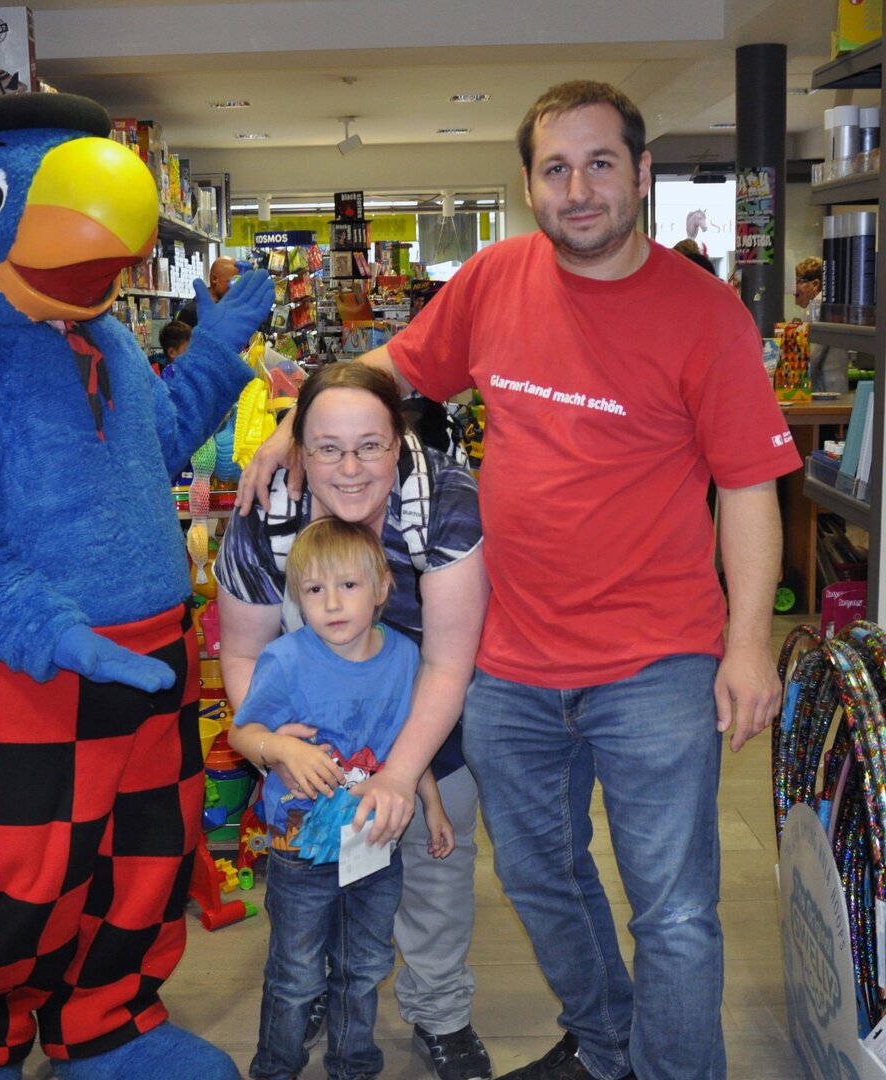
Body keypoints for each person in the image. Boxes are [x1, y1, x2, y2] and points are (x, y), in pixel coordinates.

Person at [237, 80, 802, 1080]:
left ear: (641, 173)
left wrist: (751, 644)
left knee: (673, 911)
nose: (578, 190)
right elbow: (397, 366)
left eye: (599, 164)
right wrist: (303, 416)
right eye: (555, 169)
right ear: (530, 184)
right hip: (509, 659)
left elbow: (750, 486)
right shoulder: (496, 277)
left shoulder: (704, 314)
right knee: (542, 882)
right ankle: (609, 1045)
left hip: (656, 661)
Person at [217, 361, 491, 1080]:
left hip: (420, 706)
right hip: (314, 730)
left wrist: (402, 777)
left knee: (434, 863)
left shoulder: (443, 499)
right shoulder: (266, 509)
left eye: (370, 446)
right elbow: (242, 653)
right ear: (298, 449)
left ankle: (439, 1009)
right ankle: (311, 992)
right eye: (327, 447)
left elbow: (447, 665)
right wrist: (272, 743)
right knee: (307, 892)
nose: (349, 468)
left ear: (399, 442)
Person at [228, 516, 455, 1080]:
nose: (331, 603)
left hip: (375, 844)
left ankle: (354, 1065)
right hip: (298, 848)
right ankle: (275, 1067)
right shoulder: (285, 659)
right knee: (296, 973)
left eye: (348, 585)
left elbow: (407, 743)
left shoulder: (405, 659)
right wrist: (281, 747)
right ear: (297, 598)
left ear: (381, 588)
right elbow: (241, 732)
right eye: (313, 589)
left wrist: (432, 805)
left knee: (365, 966)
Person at [795, 255, 849, 393]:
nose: (793, 289)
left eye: (798, 282)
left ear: (815, 284)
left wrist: (789, 374)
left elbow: (814, 353)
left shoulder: (821, 308)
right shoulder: (815, 307)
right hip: (827, 386)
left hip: (828, 388)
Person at [178, 256, 238, 326]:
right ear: (214, 279)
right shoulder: (190, 313)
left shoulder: (230, 309)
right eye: (232, 282)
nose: (235, 287)